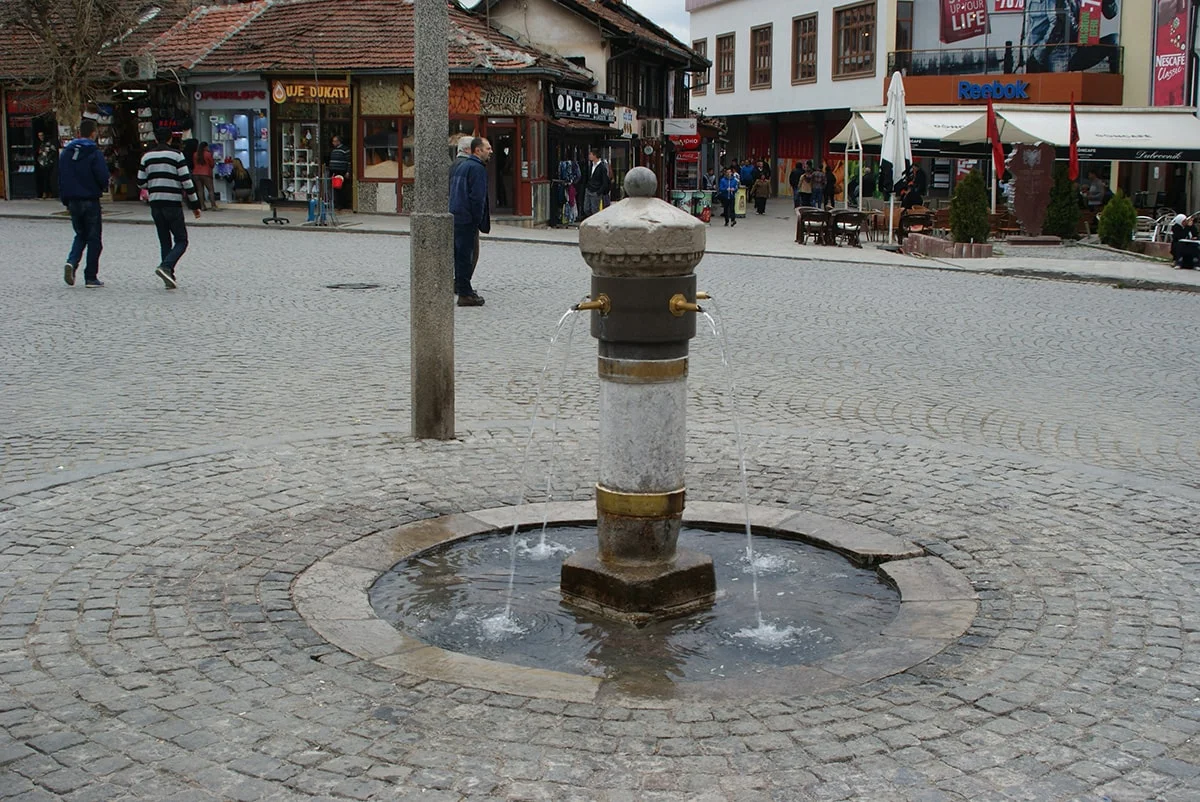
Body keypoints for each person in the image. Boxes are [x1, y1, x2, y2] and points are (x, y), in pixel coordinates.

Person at [137, 128, 202, 290]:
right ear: (170, 139)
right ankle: (166, 267)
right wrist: (195, 205)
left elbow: (140, 182)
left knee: (164, 240)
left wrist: (154, 182)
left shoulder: (147, 157)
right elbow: (186, 182)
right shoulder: (176, 156)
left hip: (156, 203)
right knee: (181, 240)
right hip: (172, 202)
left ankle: (168, 274)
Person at [58, 119, 110, 288]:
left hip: (72, 199)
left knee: (80, 234)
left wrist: (65, 198)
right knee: (94, 239)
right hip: (90, 199)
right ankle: (90, 277)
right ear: (93, 133)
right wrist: (103, 186)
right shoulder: (93, 151)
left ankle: (72, 262)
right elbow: (102, 175)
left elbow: (60, 177)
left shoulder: (66, 152)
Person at [449, 136, 492, 307]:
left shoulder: (462, 166)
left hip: (456, 214)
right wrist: (477, 219)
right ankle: (465, 293)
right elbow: (477, 197)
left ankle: (463, 287)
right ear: (477, 150)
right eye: (487, 148)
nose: (491, 151)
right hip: (466, 218)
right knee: (466, 256)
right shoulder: (476, 168)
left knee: (460, 255)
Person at [581, 147, 609, 220]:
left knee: (594, 210)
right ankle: (590, 219)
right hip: (589, 189)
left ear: (595, 155)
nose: (589, 156)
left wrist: (599, 192)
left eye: (591, 154)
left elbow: (605, 182)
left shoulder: (602, 167)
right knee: (586, 208)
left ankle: (594, 222)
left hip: (596, 191)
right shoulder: (590, 165)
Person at [192, 142, 218, 210]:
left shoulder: (195, 154)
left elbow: (194, 164)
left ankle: (202, 206)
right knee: (211, 190)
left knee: (200, 190)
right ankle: (213, 206)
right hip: (206, 173)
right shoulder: (208, 154)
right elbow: (212, 165)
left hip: (196, 173)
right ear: (205, 147)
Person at [328, 135, 351, 210]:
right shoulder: (334, 150)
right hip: (333, 171)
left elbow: (349, 162)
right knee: (335, 188)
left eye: (334, 141)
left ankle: (342, 204)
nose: (333, 143)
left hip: (341, 171)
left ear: (338, 141)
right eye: (333, 141)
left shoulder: (345, 149)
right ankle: (337, 203)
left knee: (341, 188)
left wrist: (348, 171)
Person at [35, 131, 58, 199]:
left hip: (47, 163)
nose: (41, 137)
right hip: (41, 163)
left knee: (47, 178)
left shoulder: (48, 143)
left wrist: (49, 158)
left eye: (42, 135)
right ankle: (43, 192)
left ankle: (48, 192)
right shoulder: (38, 144)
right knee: (43, 178)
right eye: (39, 135)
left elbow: (53, 151)